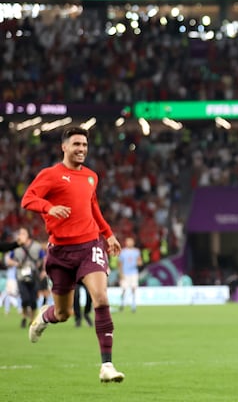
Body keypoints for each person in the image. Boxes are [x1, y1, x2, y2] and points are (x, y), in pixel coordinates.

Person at [21, 126, 125, 383]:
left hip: (90, 246)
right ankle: (44, 318)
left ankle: (107, 365)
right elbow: (28, 199)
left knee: (100, 297)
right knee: (63, 314)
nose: (81, 149)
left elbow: (93, 208)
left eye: (85, 145)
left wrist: (108, 233)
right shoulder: (52, 175)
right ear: (64, 147)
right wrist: (49, 207)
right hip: (60, 253)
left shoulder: (91, 177)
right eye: (76, 144)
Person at [4, 227, 45, 329]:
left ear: (28, 235)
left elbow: (44, 258)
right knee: (25, 299)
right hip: (21, 276)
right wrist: (15, 263)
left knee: (33, 300)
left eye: (22, 233)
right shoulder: (16, 247)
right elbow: (8, 260)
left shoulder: (36, 246)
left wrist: (44, 270)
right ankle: (24, 317)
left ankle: (32, 320)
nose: (20, 235)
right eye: (19, 233)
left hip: (34, 276)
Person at [118, 236, 142, 313]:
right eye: (128, 241)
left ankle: (133, 305)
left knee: (133, 289)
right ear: (126, 243)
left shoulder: (136, 251)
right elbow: (120, 264)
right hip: (125, 273)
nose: (129, 243)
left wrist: (139, 263)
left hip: (133, 273)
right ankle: (122, 303)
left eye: (131, 241)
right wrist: (121, 274)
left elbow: (140, 261)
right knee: (124, 289)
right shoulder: (123, 252)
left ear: (133, 243)